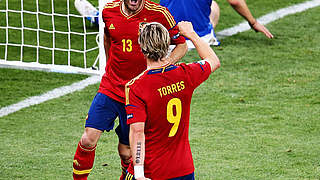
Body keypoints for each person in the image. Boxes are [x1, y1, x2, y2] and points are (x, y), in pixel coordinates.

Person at [72, 0, 188, 180]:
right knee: (88, 139)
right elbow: (108, 37)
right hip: (111, 87)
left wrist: (163, 66)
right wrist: (110, 68)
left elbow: (182, 45)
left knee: (126, 153)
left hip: (138, 94)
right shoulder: (109, 10)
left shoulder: (159, 13)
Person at [124, 21, 220, 179]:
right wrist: (191, 34)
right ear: (167, 44)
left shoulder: (136, 87)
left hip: (153, 171)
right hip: (184, 170)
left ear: (141, 45)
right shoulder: (185, 73)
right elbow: (213, 60)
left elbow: (137, 132)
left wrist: (140, 174)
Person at [160, 0, 274, 49]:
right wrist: (253, 22)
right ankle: (201, 34)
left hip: (169, 40)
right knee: (214, 5)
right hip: (201, 41)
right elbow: (235, 1)